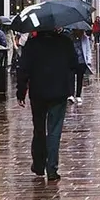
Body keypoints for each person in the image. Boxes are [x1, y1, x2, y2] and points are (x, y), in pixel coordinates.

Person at [17, 29, 78, 181]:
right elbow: (74, 64)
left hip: (38, 92)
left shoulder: (32, 44)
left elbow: (23, 69)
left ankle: (38, 165)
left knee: (38, 128)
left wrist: (21, 91)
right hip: (59, 92)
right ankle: (52, 168)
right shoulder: (65, 42)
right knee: (54, 130)